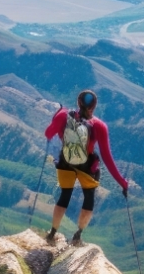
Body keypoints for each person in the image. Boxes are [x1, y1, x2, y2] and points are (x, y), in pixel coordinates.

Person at [43, 90, 128, 246]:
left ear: (78, 102)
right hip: (87, 168)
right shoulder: (99, 126)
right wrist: (123, 183)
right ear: (94, 106)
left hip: (65, 164)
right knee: (89, 198)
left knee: (64, 195)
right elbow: (107, 158)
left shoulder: (63, 116)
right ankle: (77, 236)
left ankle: (52, 234)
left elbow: (48, 134)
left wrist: (56, 117)